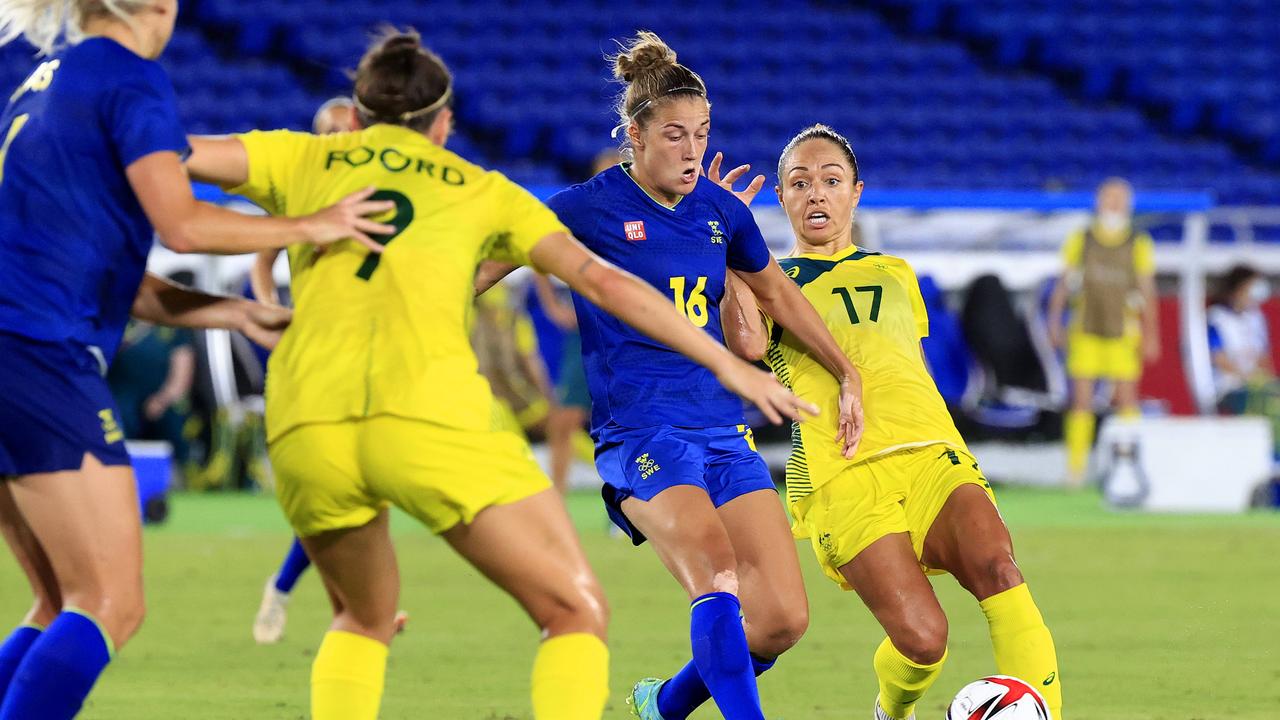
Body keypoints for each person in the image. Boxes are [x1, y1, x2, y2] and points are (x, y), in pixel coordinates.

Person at [185, 29, 809, 720]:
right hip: (429, 416)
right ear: (446, 125)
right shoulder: (478, 190)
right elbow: (603, 282)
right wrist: (723, 356)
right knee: (574, 609)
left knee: (361, 618)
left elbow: (170, 177)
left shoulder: (305, 158)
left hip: (307, 417)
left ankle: (662, 705)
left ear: (356, 120)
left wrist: (268, 262)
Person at [0, 1, 389, 716]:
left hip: (15, 349)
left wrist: (235, 310)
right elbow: (180, 225)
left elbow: (113, 273)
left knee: (57, 602)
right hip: (38, 354)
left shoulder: (42, 81)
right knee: (109, 603)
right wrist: (316, 222)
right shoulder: (128, 77)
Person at [546, 32, 864, 720]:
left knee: (781, 619)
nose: (692, 151)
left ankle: (662, 706)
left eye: (702, 134)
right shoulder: (588, 208)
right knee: (716, 573)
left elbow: (778, 295)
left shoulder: (721, 213)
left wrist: (846, 371)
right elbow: (491, 260)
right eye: (674, 135)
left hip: (722, 432)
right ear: (635, 135)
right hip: (641, 434)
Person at [719, 125, 1063, 720]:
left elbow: (905, 362)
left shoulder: (897, 271)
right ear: (781, 198)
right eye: (799, 184)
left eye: (831, 181)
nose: (816, 194)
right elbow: (746, 343)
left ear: (856, 193)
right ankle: (891, 712)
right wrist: (726, 245)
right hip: (844, 472)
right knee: (924, 639)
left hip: (931, 451)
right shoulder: (770, 282)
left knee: (999, 568)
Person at [250, 96, 410, 646]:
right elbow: (262, 260)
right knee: (332, 482)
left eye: (347, 130)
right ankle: (354, 608)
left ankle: (337, 600)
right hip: (313, 358)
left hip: (371, 355)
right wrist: (271, 308)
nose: (340, 139)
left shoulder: (385, 197)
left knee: (370, 479)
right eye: (329, 131)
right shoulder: (300, 192)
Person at [1047, 177, 1159, 487]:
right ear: (1098, 201)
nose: (1113, 204)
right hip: (1085, 328)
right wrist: (1054, 322)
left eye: (1120, 198)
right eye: (1109, 197)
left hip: (1123, 330)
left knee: (1126, 399)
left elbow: (1147, 290)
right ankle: (1076, 469)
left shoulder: (1138, 242)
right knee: (1080, 399)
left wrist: (1152, 334)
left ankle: (1130, 466)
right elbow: (1063, 284)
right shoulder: (1080, 238)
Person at [536, 148, 622, 493]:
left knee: (625, 422)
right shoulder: (580, 214)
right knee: (564, 420)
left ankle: (634, 499)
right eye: (603, 173)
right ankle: (556, 497)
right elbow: (536, 249)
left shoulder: (641, 220)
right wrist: (553, 308)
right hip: (586, 334)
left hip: (626, 332)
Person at [1208, 265, 1280, 450]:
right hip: (1229, 387)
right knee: (1264, 401)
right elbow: (1219, 359)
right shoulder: (1216, 318)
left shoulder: (1256, 318)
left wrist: (1270, 381)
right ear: (1239, 288)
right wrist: (1249, 379)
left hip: (1257, 384)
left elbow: (1263, 357)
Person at [106, 319, 196, 468]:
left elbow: (183, 369)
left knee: (174, 421)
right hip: (122, 394)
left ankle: (179, 472)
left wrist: (162, 399)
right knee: (118, 421)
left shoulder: (172, 327)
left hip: (163, 396)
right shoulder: (119, 322)